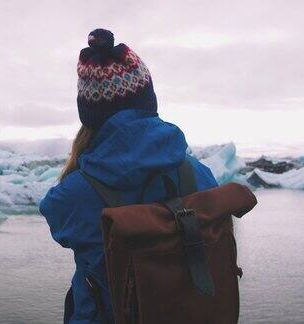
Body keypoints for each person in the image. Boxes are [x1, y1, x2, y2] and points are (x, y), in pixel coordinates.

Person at [39, 28, 219, 324]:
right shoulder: (197, 173)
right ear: (149, 101)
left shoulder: (73, 194)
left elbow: (57, 219)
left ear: (90, 115)